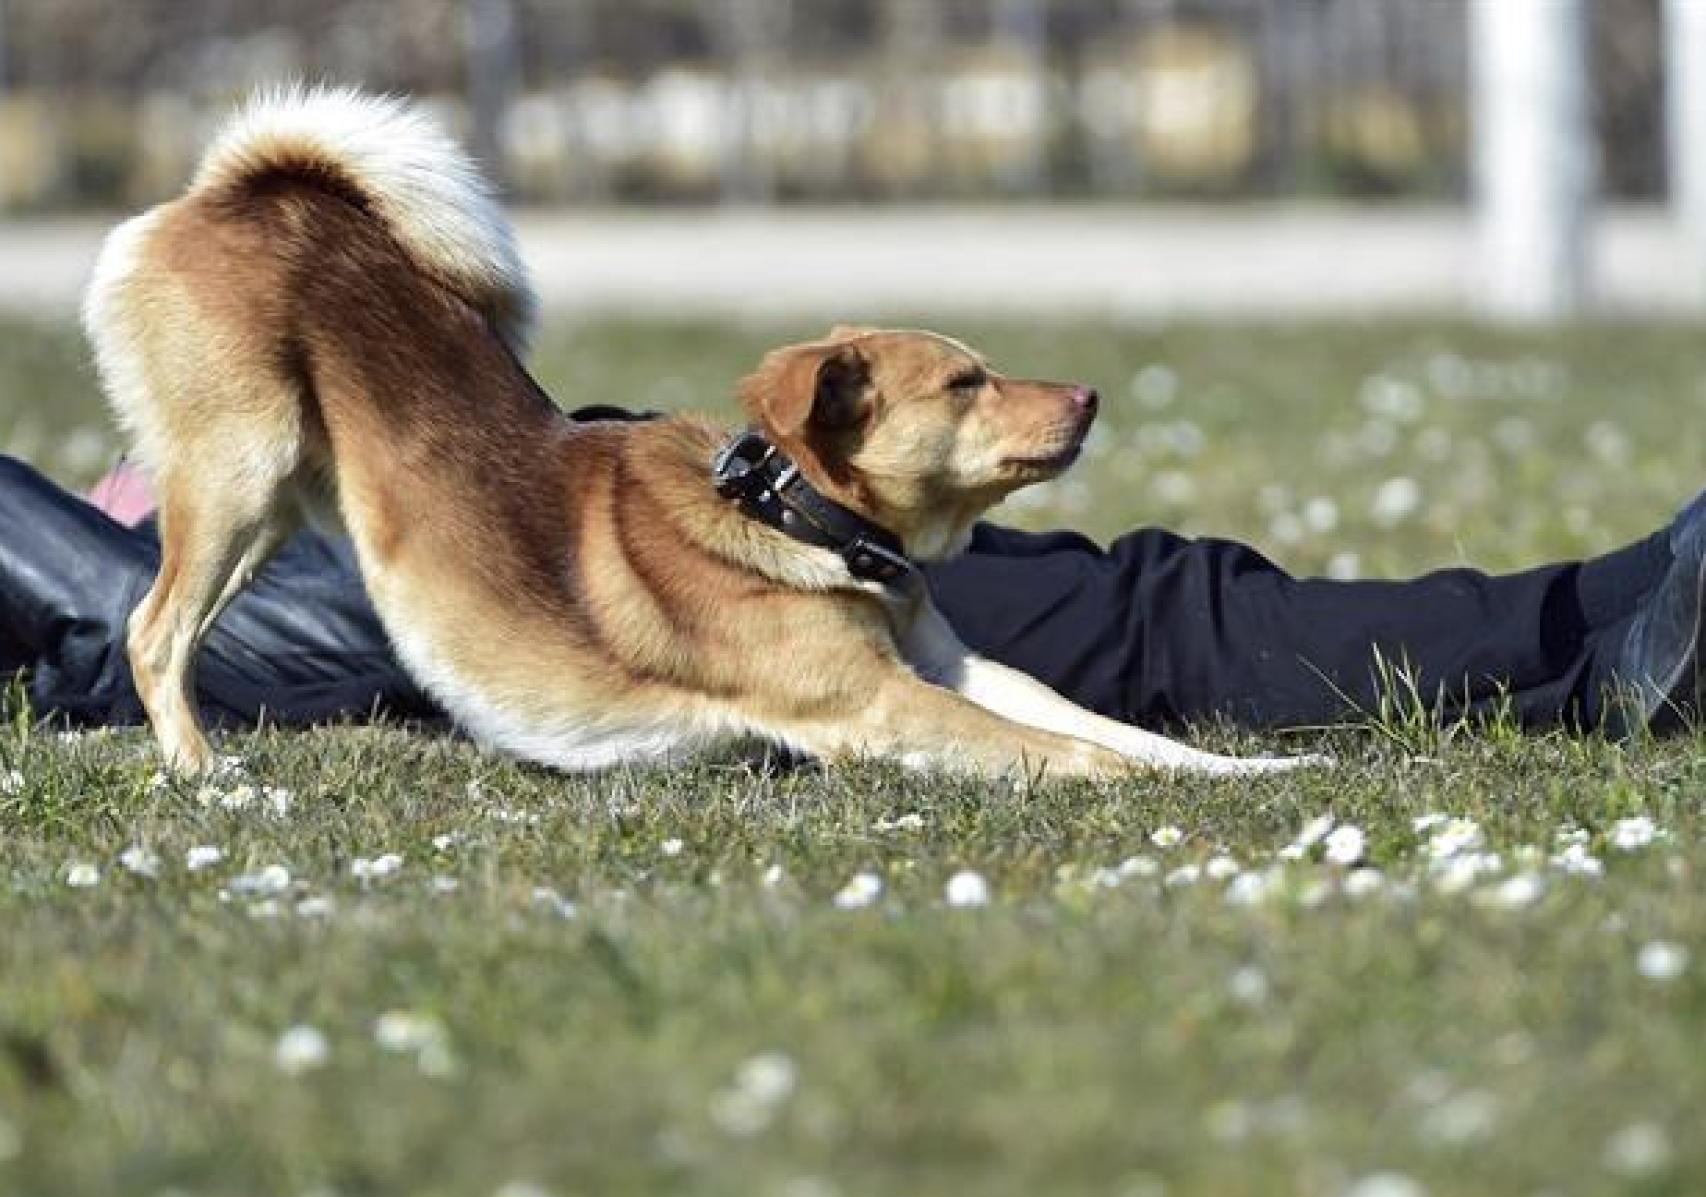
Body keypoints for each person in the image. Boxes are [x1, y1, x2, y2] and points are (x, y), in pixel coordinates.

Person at [1, 415, 1701, 741]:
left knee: (1122, 593)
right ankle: (1598, 655)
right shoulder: (145, 642)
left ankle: (1604, 601)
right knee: (1138, 617)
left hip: (560, 489)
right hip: (483, 582)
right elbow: (113, 617)